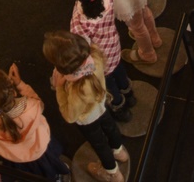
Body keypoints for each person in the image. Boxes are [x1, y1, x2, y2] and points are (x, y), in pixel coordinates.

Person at [42, 31, 129, 182]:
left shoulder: (77, 90)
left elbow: (69, 116)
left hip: (88, 120)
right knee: (111, 127)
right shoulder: (95, 57)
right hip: (102, 106)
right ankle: (119, 151)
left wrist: (60, 88)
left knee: (100, 144)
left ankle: (113, 173)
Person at [56, 0, 135, 119]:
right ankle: (129, 93)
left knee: (109, 84)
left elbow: (81, 46)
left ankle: (120, 108)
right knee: (119, 71)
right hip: (114, 45)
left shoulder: (79, 20)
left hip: (101, 60)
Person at [0, 65, 70, 180]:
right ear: (13, 93)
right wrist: (20, 83)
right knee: (48, 169)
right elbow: (39, 103)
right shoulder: (30, 107)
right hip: (37, 151)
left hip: (14, 158)